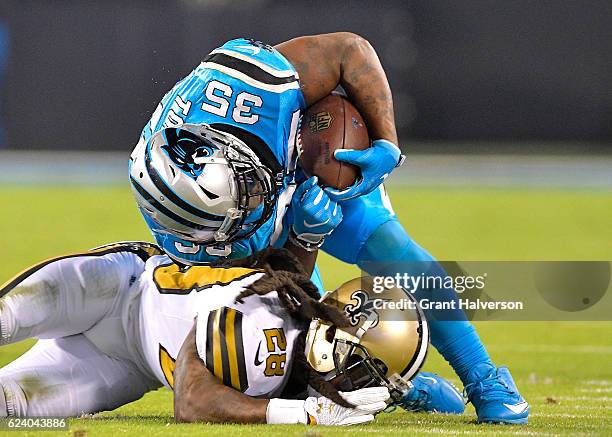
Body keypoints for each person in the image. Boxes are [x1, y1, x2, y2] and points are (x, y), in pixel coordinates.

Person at [129, 33, 528, 423]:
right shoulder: (191, 239)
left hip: (307, 164)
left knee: (394, 251)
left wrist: (387, 143)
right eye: (242, 205)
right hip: (252, 229)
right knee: (290, 332)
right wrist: (306, 237)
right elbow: (293, 286)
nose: (256, 202)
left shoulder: (252, 87)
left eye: (248, 188)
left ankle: (484, 377)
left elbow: (349, 51)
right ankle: (396, 384)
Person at [0, 242, 432, 425]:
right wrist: (301, 416)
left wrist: (417, 391)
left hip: (121, 367)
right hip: (119, 287)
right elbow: (191, 400)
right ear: (336, 331)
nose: (349, 384)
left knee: (9, 406)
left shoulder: (294, 367)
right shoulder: (267, 326)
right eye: (357, 369)